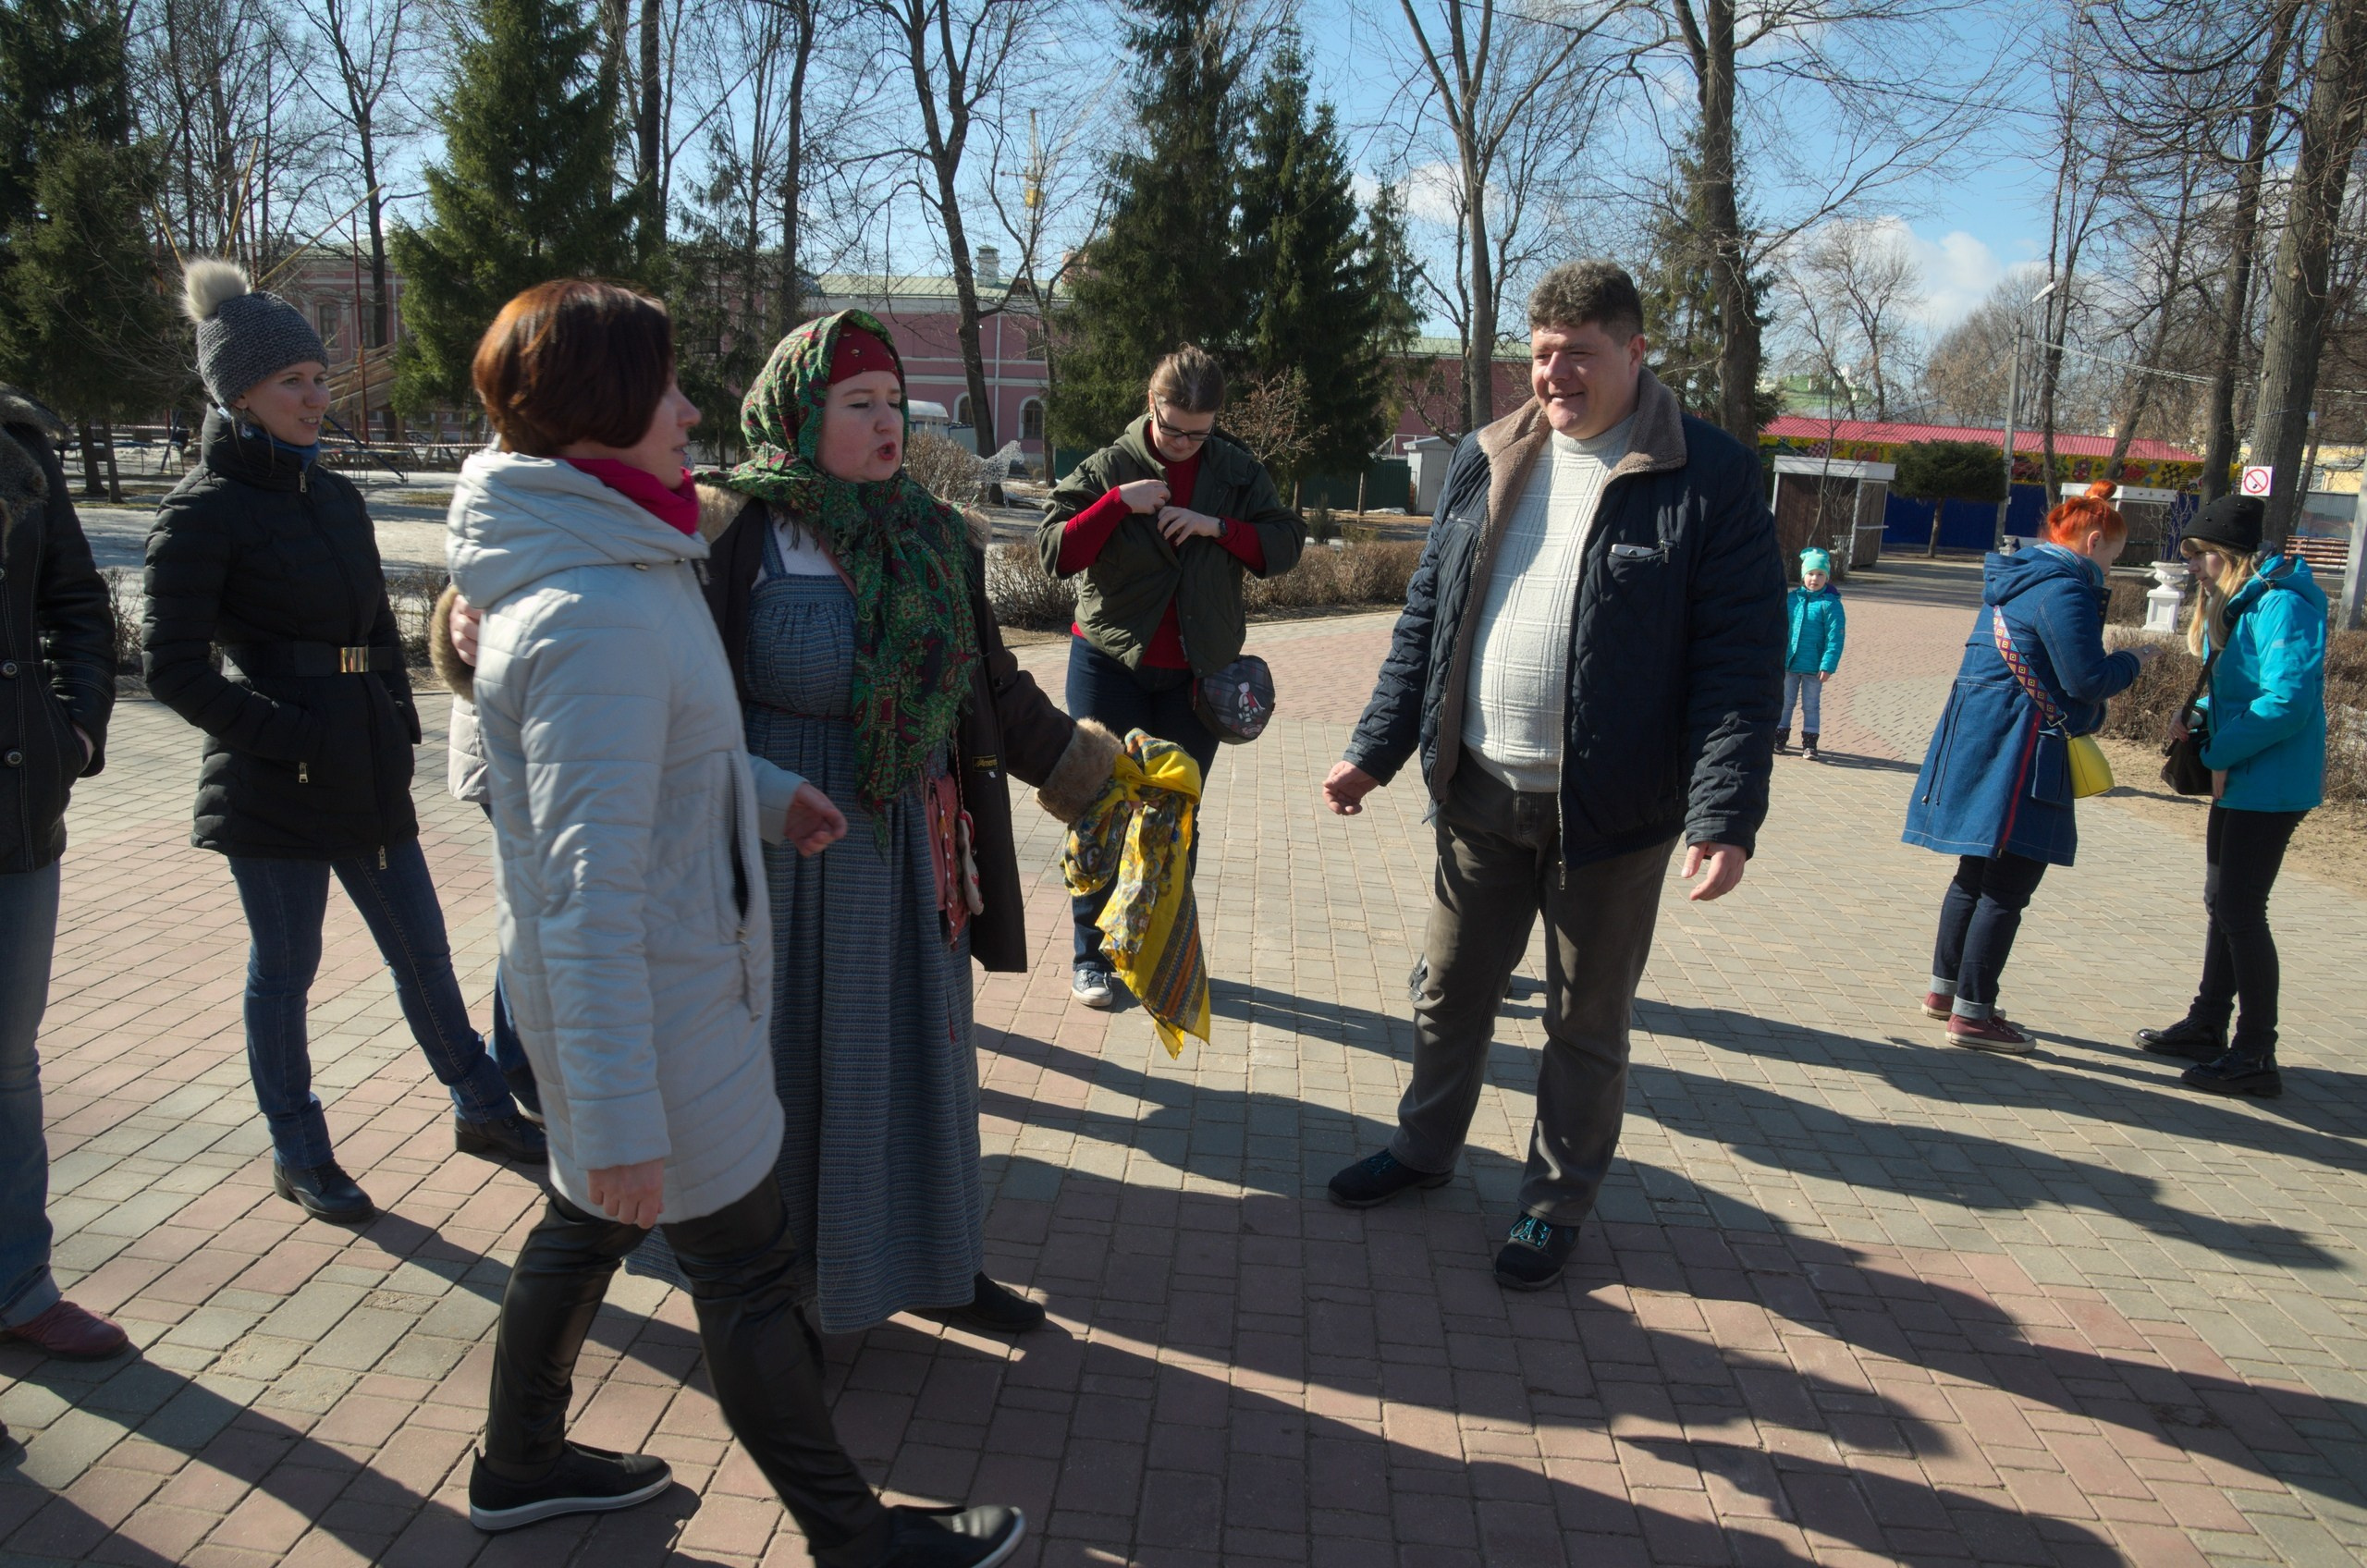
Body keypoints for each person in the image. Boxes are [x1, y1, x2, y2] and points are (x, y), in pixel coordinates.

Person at [450, 280, 1024, 1565]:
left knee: (589, 1223)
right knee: (748, 1270)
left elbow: (641, 762)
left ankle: (520, 1463)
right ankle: (856, 1540)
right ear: (600, 416)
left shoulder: (620, 552)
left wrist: (762, 798)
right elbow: (583, 891)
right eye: (663, 385)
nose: (692, 405)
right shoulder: (600, 603)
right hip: (654, 992)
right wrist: (608, 1113)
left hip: (666, 968)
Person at [1318, 260, 1784, 1292]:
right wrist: (1373, 750)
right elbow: (1425, 624)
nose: (1554, 375)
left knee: (1583, 1024)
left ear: (1634, 350)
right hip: (1477, 790)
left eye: (1578, 352)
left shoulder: (1706, 476)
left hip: (1612, 816)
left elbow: (1740, 666)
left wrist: (1724, 815)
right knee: (1446, 993)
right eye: (1538, 355)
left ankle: (1550, 1203)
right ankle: (1424, 1150)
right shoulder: (1492, 457)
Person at [142, 261, 543, 1227]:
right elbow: (173, 669)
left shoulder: (333, 497)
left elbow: (371, 630)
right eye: (294, 383)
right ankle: (299, 1148)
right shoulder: (200, 512)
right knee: (285, 972)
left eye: (321, 378)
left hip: (363, 763)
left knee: (421, 949)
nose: (318, 397)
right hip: (271, 782)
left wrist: (396, 725)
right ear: (238, 392)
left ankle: (483, 1106)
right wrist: (288, 734)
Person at [1036, 345, 1305, 1009]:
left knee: (1171, 815)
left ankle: (1157, 952)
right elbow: (1054, 551)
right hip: (1108, 665)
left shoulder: (1238, 472)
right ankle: (1090, 956)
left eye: (1198, 431)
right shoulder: (1109, 466)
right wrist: (1115, 505)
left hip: (1196, 679)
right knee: (1101, 809)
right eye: (1171, 427)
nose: (1183, 443)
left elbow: (1285, 545)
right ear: (1150, 404)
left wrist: (1219, 527)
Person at [1902, 480, 2161, 1053]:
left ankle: (1946, 992)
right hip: (2024, 752)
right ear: (2093, 541)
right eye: (2114, 556)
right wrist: (2133, 660)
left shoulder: (2016, 582)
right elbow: (2087, 679)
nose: (2113, 568)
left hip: (1988, 741)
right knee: (2008, 886)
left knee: (1973, 877)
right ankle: (1973, 1014)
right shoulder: (2063, 591)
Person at [0, 386, 129, 1361]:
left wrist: (72, 733)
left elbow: (77, 601)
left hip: (17, 813)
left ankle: (19, 1283)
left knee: (8, 1063)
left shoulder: (18, 441)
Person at [2134, 494, 2326, 1098]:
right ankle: (2208, 1023)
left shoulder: (2282, 607)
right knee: (2224, 903)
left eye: (2199, 556)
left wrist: (2218, 753)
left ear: (2228, 555)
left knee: (2240, 910)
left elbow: (2287, 702)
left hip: (2267, 784)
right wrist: (2196, 715)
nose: (2192, 567)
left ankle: (2255, 1052)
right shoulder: (2247, 602)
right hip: (2244, 777)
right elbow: (2240, 689)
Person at [1777, 546, 1846, 758]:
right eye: (1810, 574)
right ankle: (1779, 738)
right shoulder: (1792, 600)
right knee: (1785, 702)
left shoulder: (1830, 604)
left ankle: (1810, 744)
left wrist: (1827, 665)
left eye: (1820, 574)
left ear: (1827, 578)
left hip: (1814, 667)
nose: (1814, 578)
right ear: (1802, 576)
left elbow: (1835, 637)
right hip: (1789, 664)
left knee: (1811, 705)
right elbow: (1779, 627)